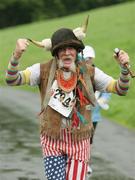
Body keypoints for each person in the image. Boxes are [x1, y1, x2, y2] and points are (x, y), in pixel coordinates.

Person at [6, 18, 130, 180]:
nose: (66, 52)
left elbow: (121, 89)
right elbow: (12, 80)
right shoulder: (42, 70)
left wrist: (124, 69)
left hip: (79, 140)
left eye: (70, 48)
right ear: (56, 53)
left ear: (77, 51)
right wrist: (16, 56)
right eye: (61, 49)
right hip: (52, 139)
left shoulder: (91, 72)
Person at [79, 45, 112, 176]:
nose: (88, 61)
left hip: (94, 116)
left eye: (90, 59)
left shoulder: (97, 72)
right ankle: (78, 162)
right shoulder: (78, 72)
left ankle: (86, 163)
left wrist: (103, 100)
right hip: (80, 114)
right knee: (80, 139)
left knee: (88, 141)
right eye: (86, 58)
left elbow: (107, 90)